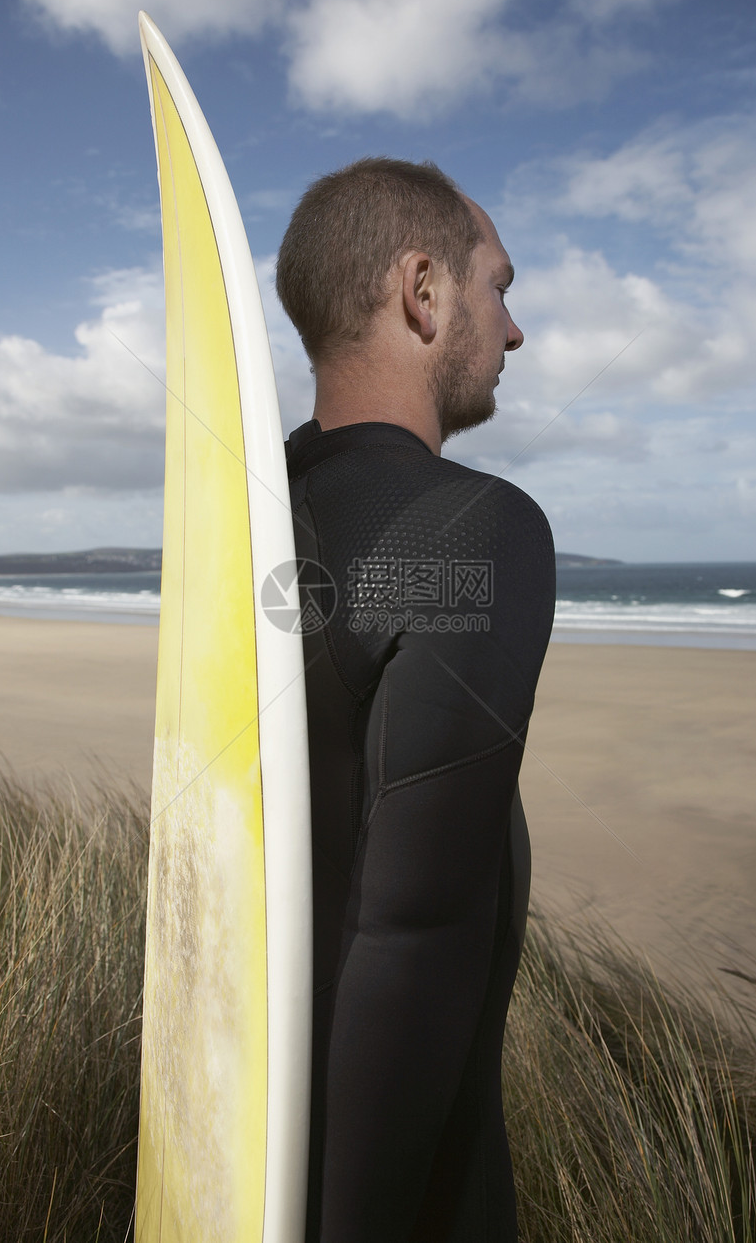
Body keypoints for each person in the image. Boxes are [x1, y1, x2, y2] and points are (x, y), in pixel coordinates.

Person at [277, 158, 555, 1243]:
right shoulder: (464, 531)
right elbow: (414, 935)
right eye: (499, 285)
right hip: (411, 1204)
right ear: (423, 292)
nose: (513, 330)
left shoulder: (256, 526)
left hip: (253, 1168)